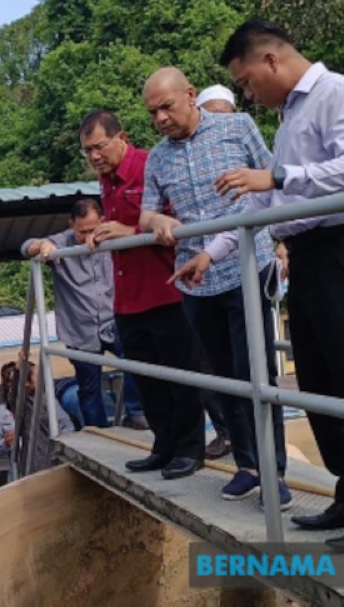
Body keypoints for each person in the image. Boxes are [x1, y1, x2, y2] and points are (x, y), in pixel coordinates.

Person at [176, 19, 344, 551]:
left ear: (272, 61)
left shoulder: (337, 93)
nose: (247, 93)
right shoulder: (289, 118)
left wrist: (279, 176)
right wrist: (209, 256)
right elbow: (263, 207)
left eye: (246, 82)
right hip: (306, 257)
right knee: (319, 383)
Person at [140, 67, 290, 507]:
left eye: (167, 107)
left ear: (190, 95)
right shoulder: (158, 158)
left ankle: (273, 472)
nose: (161, 118)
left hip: (248, 266)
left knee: (256, 374)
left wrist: (283, 243)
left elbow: (273, 179)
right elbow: (146, 215)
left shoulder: (236, 126)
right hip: (195, 281)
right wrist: (159, 221)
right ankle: (246, 466)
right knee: (224, 379)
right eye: (153, 113)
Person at [80, 109, 206, 480]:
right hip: (127, 299)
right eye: (87, 151)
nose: (94, 157)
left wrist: (129, 229)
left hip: (165, 292)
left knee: (179, 376)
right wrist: (101, 233)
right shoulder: (105, 182)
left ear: (122, 138)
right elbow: (118, 230)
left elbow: (176, 223)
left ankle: (189, 449)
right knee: (145, 379)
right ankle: (163, 445)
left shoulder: (150, 167)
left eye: (100, 147)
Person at [21, 198, 148, 430]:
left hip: (114, 319)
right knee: (89, 386)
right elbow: (26, 246)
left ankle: (136, 411)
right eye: (82, 231)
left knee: (137, 358)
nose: (89, 235)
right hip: (80, 327)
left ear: (103, 221)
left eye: (93, 228)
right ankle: (96, 432)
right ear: (71, 225)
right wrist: (43, 247)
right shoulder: (62, 242)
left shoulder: (112, 236)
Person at [9, 359, 75, 474]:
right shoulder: (26, 404)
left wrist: (63, 438)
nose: (42, 378)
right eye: (37, 376)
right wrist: (18, 370)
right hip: (34, 460)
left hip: (52, 455)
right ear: (27, 383)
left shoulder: (48, 399)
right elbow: (16, 395)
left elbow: (66, 423)